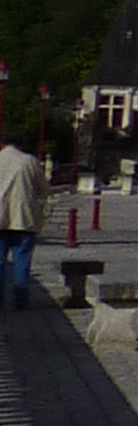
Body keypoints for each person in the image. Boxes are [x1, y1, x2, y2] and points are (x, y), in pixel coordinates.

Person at [0, 128, 40, 313]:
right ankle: (20, 299)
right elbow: (43, 189)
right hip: (24, 218)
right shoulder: (30, 161)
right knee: (22, 260)